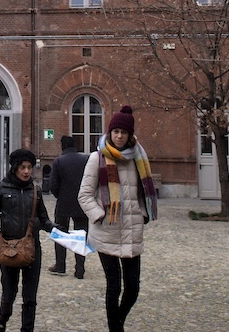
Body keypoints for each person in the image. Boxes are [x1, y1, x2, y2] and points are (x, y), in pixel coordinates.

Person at [78, 105, 159, 332]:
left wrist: (142, 213)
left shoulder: (138, 159)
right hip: (107, 231)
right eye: (116, 132)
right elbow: (84, 195)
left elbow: (144, 192)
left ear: (130, 135)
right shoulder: (97, 158)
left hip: (131, 230)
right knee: (114, 286)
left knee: (132, 288)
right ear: (110, 133)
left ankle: (119, 321)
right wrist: (99, 215)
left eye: (124, 132)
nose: (120, 136)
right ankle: (116, 329)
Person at [0, 148, 55, 332]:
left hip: (32, 248)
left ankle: (27, 329)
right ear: (15, 168)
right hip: (9, 247)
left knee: (30, 296)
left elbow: (43, 218)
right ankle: (2, 321)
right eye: (22, 167)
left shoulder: (35, 190)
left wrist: (54, 229)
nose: (26, 171)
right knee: (9, 293)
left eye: (29, 167)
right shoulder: (2, 187)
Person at [47, 135, 90, 278]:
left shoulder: (59, 161)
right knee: (81, 235)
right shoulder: (85, 160)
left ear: (62, 146)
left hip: (63, 203)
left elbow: (53, 185)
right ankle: (80, 268)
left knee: (61, 234)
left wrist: (61, 195)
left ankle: (60, 265)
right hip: (81, 203)